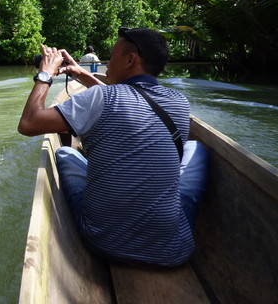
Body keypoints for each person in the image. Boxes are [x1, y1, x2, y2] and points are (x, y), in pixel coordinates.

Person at [18, 27, 208, 268]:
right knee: (195, 149)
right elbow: (129, 100)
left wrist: (45, 73)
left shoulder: (101, 98)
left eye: (113, 55)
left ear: (130, 60)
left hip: (106, 243)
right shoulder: (179, 102)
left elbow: (29, 123)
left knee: (65, 152)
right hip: (174, 249)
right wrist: (79, 73)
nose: (108, 62)